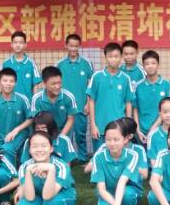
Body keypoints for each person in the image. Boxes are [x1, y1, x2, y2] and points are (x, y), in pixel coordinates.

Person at [15, 132, 78, 205]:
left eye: (43, 146)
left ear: (51, 148)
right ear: (29, 150)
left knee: (51, 202)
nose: (39, 149)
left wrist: (51, 169)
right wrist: (28, 171)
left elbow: (48, 196)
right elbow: (29, 197)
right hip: (39, 199)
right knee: (24, 204)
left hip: (62, 199)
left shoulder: (61, 166)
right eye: (34, 146)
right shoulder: (24, 167)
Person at [92, 120, 141, 205]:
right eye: (108, 139)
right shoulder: (98, 157)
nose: (112, 143)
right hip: (107, 191)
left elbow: (122, 182)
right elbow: (101, 189)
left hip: (125, 189)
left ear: (125, 139)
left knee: (128, 194)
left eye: (116, 139)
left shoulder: (133, 155)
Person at [86, 42, 133, 150]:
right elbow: (91, 101)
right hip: (100, 127)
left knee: (119, 156)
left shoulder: (125, 78)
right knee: (99, 155)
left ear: (121, 57)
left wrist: (128, 126)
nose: (113, 59)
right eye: (110, 56)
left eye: (116, 56)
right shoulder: (97, 76)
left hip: (120, 127)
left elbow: (128, 103)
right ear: (105, 57)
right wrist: (93, 125)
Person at [56, 33, 94, 161]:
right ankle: (67, 159)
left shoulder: (87, 63)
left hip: (81, 106)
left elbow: (90, 85)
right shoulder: (60, 64)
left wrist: (88, 103)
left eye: (76, 46)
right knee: (65, 135)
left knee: (80, 134)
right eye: (71, 46)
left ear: (79, 46)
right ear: (66, 45)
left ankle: (83, 158)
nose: (73, 48)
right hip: (64, 108)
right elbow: (56, 84)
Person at [0, 68, 32, 166]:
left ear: (15, 83)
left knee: (6, 149)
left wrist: (16, 130)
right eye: (5, 80)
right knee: (0, 155)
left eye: (11, 81)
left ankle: (13, 173)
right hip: (2, 139)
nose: (8, 84)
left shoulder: (22, 99)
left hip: (20, 136)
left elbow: (31, 118)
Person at [133, 50, 170, 143]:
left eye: (153, 63)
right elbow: (135, 109)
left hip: (162, 130)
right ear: (143, 66)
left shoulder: (166, 84)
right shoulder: (138, 86)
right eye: (147, 64)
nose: (150, 66)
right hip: (141, 132)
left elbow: (168, 109)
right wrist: (137, 130)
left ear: (158, 64)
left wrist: (153, 130)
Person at [31, 66, 77, 140]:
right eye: (53, 84)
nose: (57, 86)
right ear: (44, 83)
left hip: (64, 135)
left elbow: (70, 119)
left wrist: (61, 138)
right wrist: (45, 138)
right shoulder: (36, 99)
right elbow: (37, 122)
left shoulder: (69, 97)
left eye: (59, 83)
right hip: (44, 136)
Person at [2, 31, 42, 98]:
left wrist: (34, 101)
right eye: (15, 42)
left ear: (25, 45)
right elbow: (2, 84)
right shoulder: (5, 63)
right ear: (11, 44)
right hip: (11, 101)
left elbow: (35, 85)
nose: (18, 45)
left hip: (28, 102)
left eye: (20, 42)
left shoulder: (31, 63)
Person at [146, 97, 170, 167]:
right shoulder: (153, 135)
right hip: (160, 171)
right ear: (160, 113)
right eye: (165, 112)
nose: (168, 115)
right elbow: (153, 161)